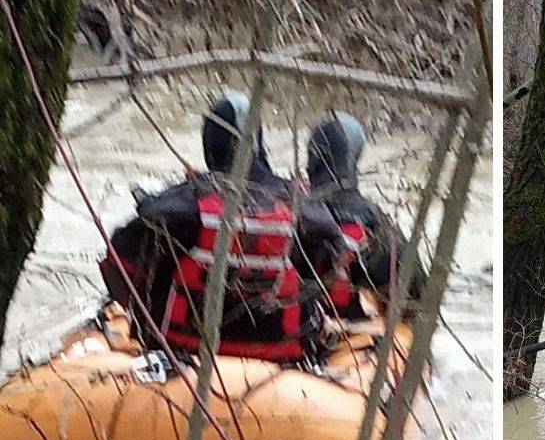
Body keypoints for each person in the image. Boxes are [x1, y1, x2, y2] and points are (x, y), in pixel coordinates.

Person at [100, 91, 343, 362]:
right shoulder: (304, 209)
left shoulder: (180, 205)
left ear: (211, 145)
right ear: (259, 144)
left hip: (182, 355)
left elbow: (118, 263)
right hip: (282, 359)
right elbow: (330, 267)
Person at [306, 112, 426, 321]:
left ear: (313, 156)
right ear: (354, 157)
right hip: (350, 331)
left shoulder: (287, 206)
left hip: (293, 329)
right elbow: (415, 294)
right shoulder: (373, 222)